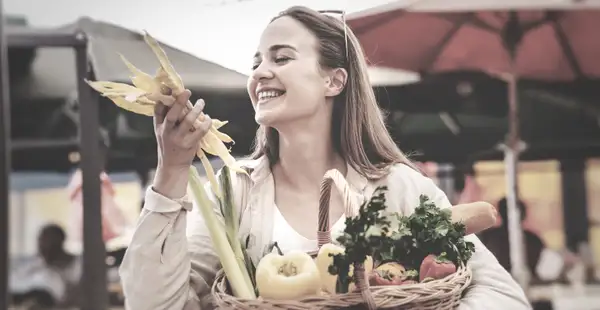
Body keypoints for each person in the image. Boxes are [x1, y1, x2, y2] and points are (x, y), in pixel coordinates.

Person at [119, 6, 530, 309]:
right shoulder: (232, 193)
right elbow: (154, 304)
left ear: (334, 80)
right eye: (257, 61)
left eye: (281, 58)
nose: (260, 72)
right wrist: (171, 171)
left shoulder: (400, 187)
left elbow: (504, 295)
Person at [10, 224, 81, 308]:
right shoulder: (34, 265)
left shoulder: (78, 265)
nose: (42, 245)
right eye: (41, 240)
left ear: (61, 242)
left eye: (48, 241)